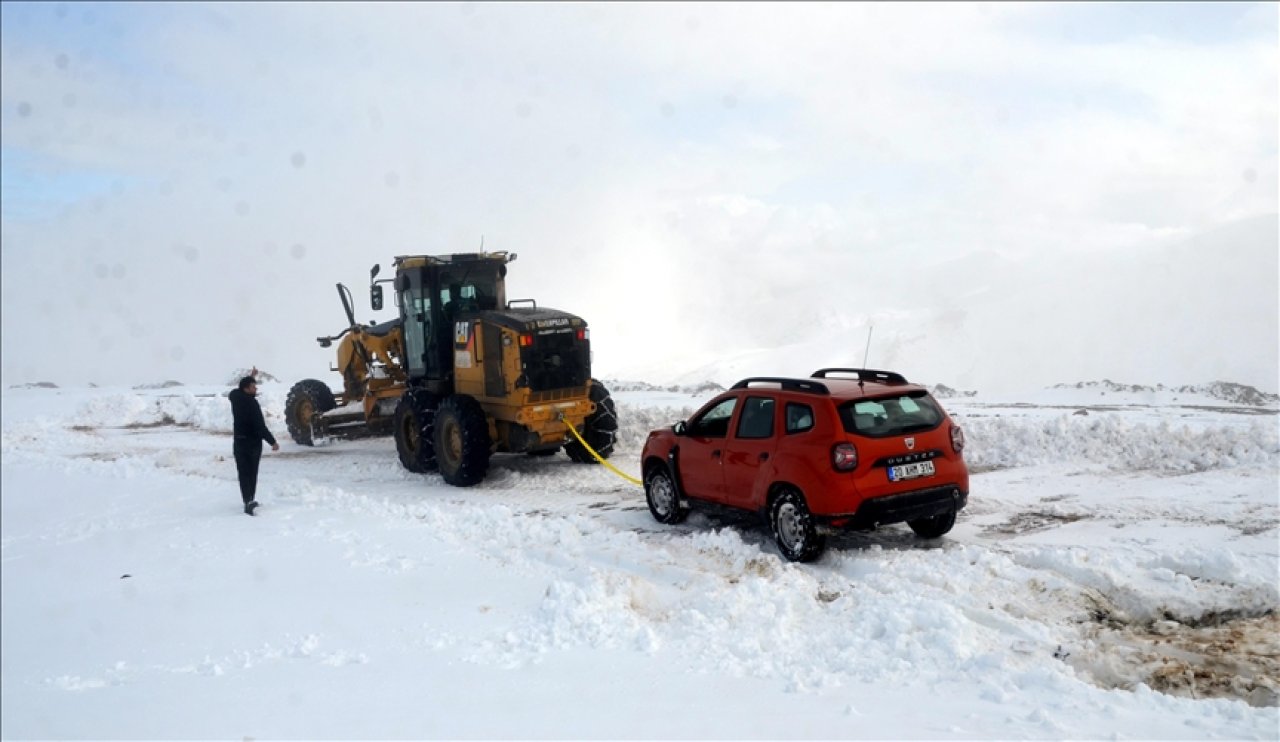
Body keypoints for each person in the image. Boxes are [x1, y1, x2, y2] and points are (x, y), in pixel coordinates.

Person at [228, 375, 279, 515]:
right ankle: (249, 501)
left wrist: (251, 376)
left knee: (243, 473)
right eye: (253, 386)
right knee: (251, 473)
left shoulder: (235, 397)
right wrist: (272, 441)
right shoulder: (251, 403)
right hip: (252, 444)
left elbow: (235, 390)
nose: (256, 388)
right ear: (246, 389)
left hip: (239, 442)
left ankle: (247, 500)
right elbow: (259, 426)